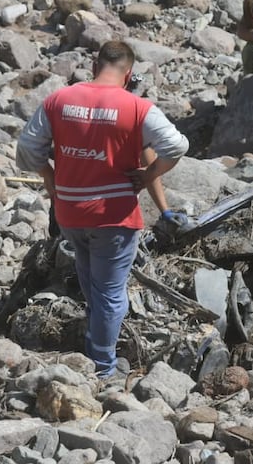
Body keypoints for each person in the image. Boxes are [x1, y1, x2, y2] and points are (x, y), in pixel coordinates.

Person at [16, 40, 188, 378]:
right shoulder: (136, 107)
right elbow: (177, 145)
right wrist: (147, 176)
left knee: (90, 280)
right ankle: (103, 367)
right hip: (113, 215)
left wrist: (52, 182)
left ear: (95, 66)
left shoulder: (59, 100)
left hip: (70, 211)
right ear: (129, 74)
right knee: (111, 292)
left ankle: (95, 346)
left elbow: (27, 148)